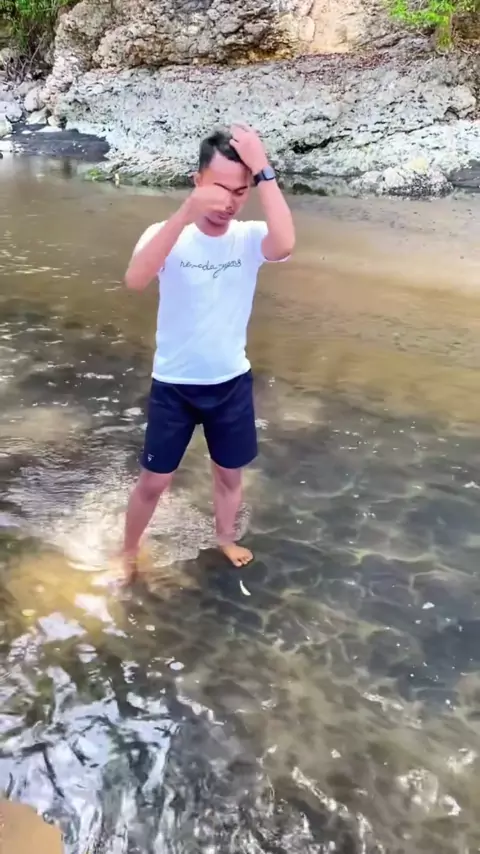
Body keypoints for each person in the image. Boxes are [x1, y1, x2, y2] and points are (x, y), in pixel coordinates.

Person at [122, 124, 295, 582]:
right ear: (197, 181)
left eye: (240, 191)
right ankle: (127, 551)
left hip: (230, 383)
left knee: (229, 475)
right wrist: (185, 213)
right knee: (155, 481)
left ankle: (224, 538)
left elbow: (285, 243)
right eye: (218, 188)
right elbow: (135, 280)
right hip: (174, 386)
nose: (228, 202)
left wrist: (263, 168)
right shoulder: (166, 234)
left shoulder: (248, 238)